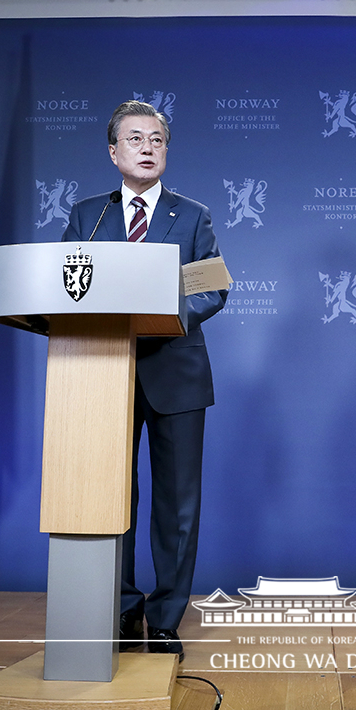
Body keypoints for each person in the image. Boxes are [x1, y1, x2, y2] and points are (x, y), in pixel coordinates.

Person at [63, 100, 227, 661]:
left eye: (157, 139)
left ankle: (164, 617)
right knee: (111, 496)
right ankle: (122, 607)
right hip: (100, 372)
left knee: (177, 504)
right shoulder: (89, 216)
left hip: (175, 372)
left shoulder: (193, 215)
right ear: (114, 152)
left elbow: (211, 287)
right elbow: (63, 288)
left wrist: (170, 316)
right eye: (135, 139)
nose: (148, 147)